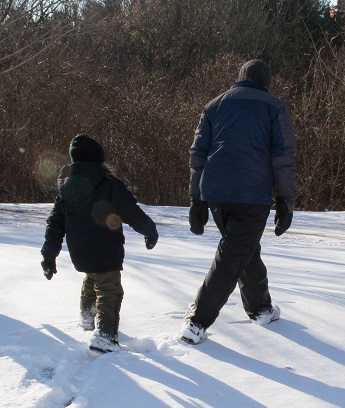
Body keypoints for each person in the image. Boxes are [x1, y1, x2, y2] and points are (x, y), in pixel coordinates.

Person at [181, 59, 296, 345]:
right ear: (265, 80)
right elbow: (282, 158)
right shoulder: (274, 106)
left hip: (216, 194)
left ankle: (261, 308)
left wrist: (196, 199)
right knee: (232, 256)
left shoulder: (214, 105)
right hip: (252, 194)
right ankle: (197, 322)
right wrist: (285, 200)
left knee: (243, 249)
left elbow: (198, 155)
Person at [40, 134, 159, 354]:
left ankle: (87, 320)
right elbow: (131, 212)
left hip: (80, 252)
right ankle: (104, 336)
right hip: (106, 250)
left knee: (91, 279)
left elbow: (54, 224)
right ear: (98, 159)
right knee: (109, 290)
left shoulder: (65, 189)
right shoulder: (109, 184)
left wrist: (49, 255)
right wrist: (149, 231)